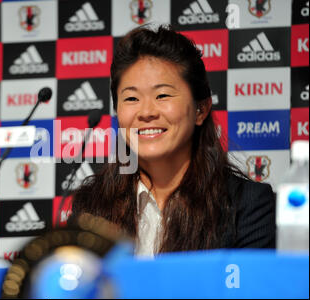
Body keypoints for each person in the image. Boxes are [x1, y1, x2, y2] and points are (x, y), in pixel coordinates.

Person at [69, 25, 276, 257]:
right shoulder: (92, 205)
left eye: (162, 95)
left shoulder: (246, 205)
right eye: (131, 98)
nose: (146, 111)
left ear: (201, 109)